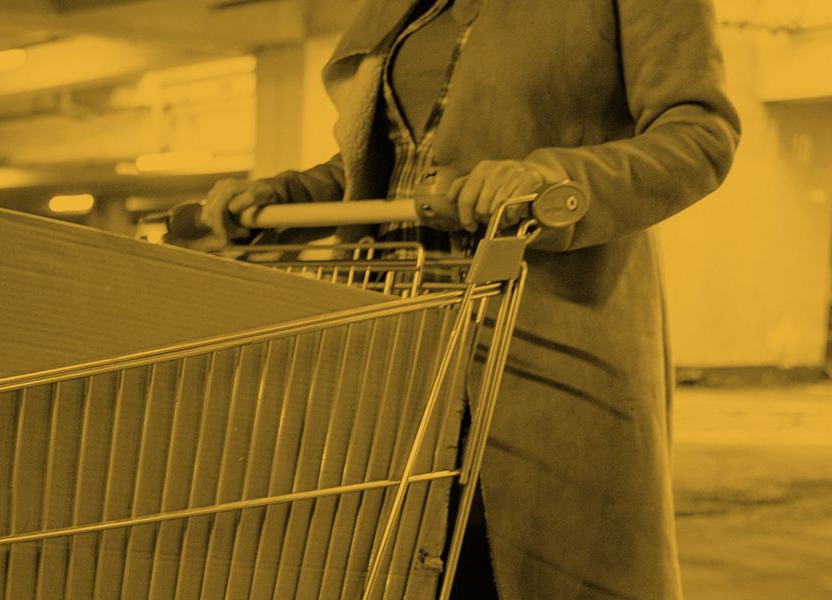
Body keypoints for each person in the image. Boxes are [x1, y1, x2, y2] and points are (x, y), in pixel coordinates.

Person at [193, 0, 741, 598]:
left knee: (525, 565)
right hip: (397, 343)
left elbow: (701, 135)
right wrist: (288, 198)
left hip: (540, 333)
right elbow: (402, 157)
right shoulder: (410, 8)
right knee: (394, 564)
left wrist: (553, 180)